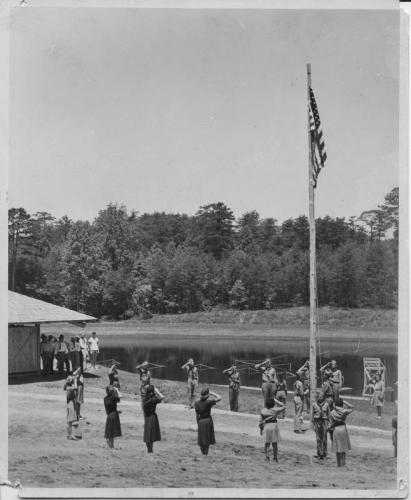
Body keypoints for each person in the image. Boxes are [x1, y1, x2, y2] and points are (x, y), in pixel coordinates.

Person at [194, 387, 222, 455]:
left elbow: (197, 415)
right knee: (207, 440)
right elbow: (219, 398)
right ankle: (206, 454)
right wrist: (212, 393)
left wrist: (198, 423)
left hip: (201, 421)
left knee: (201, 440)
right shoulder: (209, 402)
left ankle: (203, 453)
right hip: (207, 420)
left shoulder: (196, 403)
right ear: (207, 395)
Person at [329, 397, 354, 467]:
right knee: (343, 447)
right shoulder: (344, 411)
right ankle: (343, 463)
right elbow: (352, 408)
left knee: (337, 448)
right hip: (343, 428)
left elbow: (330, 424)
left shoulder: (332, 413)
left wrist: (329, 431)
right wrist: (346, 402)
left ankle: (339, 464)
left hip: (336, 429)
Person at [259, 397, 285, 462]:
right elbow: (284, 406)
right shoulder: (275, 410)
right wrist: (276, 401)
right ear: (273, 404)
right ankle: (275, 458)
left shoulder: (263, 411)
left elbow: (260, 423)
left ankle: (267, 457)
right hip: (274, 426)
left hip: (267, 427)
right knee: (274, 444)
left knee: (267, 443)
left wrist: (261, 430)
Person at [143, 385, 165, 453]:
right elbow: (162, 397)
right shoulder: (154, 399)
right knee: (151, 434)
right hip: (153, 416)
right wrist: (157, 391)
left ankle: (149, 450)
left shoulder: (144, 399)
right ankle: (151, 450)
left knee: (147, 434)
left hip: (147, 417)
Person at [311, 391, 330, 460]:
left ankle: (324, 453)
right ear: (317, 397)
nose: (320, 398)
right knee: (318, 439)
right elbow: (312, 415)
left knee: (324, 439)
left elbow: (329, 415)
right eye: (319, 397)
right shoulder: (314, 405)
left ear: (323, 398)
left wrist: (328, 424)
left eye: (321, 397)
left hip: (324, 421)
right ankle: (319, 453)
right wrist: (313, 424)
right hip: (317, 421)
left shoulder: (327, 405)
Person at [65, 376, 79, 441]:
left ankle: (69, 435)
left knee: (70, 421)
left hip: (70, 403)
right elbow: (76, 387)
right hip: (70, 404)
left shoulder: (68, 387)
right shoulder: (70, 388)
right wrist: (75, 380)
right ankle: (70, 435)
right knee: (70, 421)